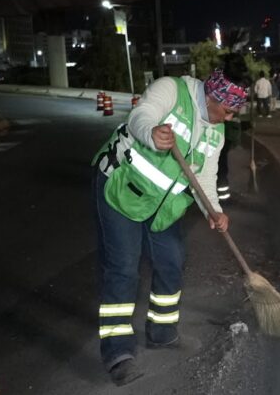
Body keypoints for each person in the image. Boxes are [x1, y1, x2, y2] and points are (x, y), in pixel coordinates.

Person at [91, 54, 248, 386]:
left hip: (162, 205)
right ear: (215, 97)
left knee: (172, 261)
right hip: (122, 188)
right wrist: (151, 133)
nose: (231, 117)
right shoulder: (172, 91)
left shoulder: (216, 132)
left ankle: (161, 332)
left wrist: (213, 212)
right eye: (230, 110)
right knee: (123, 267)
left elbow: (204, 178)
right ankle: (118, 352)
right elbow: (140, 116)